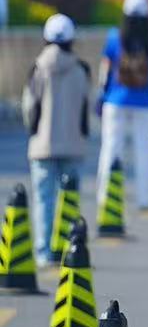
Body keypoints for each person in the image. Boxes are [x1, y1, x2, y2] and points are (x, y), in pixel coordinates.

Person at [24, 14, 91, 265]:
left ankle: (43, 251)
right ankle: (68, 250)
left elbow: (29, 107)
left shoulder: (38, 68)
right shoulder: (81, 69)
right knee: (69, 200)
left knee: (44, 200)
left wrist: (34, 130)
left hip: (43, 144)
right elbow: (86, 106)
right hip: (72, 144)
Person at [98, 0, 148, 214]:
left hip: (116, 100)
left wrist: (102, 95)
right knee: (144, 151)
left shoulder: (115, 37)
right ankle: (145, 198)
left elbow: (105, 70)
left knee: (111, 149)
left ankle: (105, 196)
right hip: (143, 102)